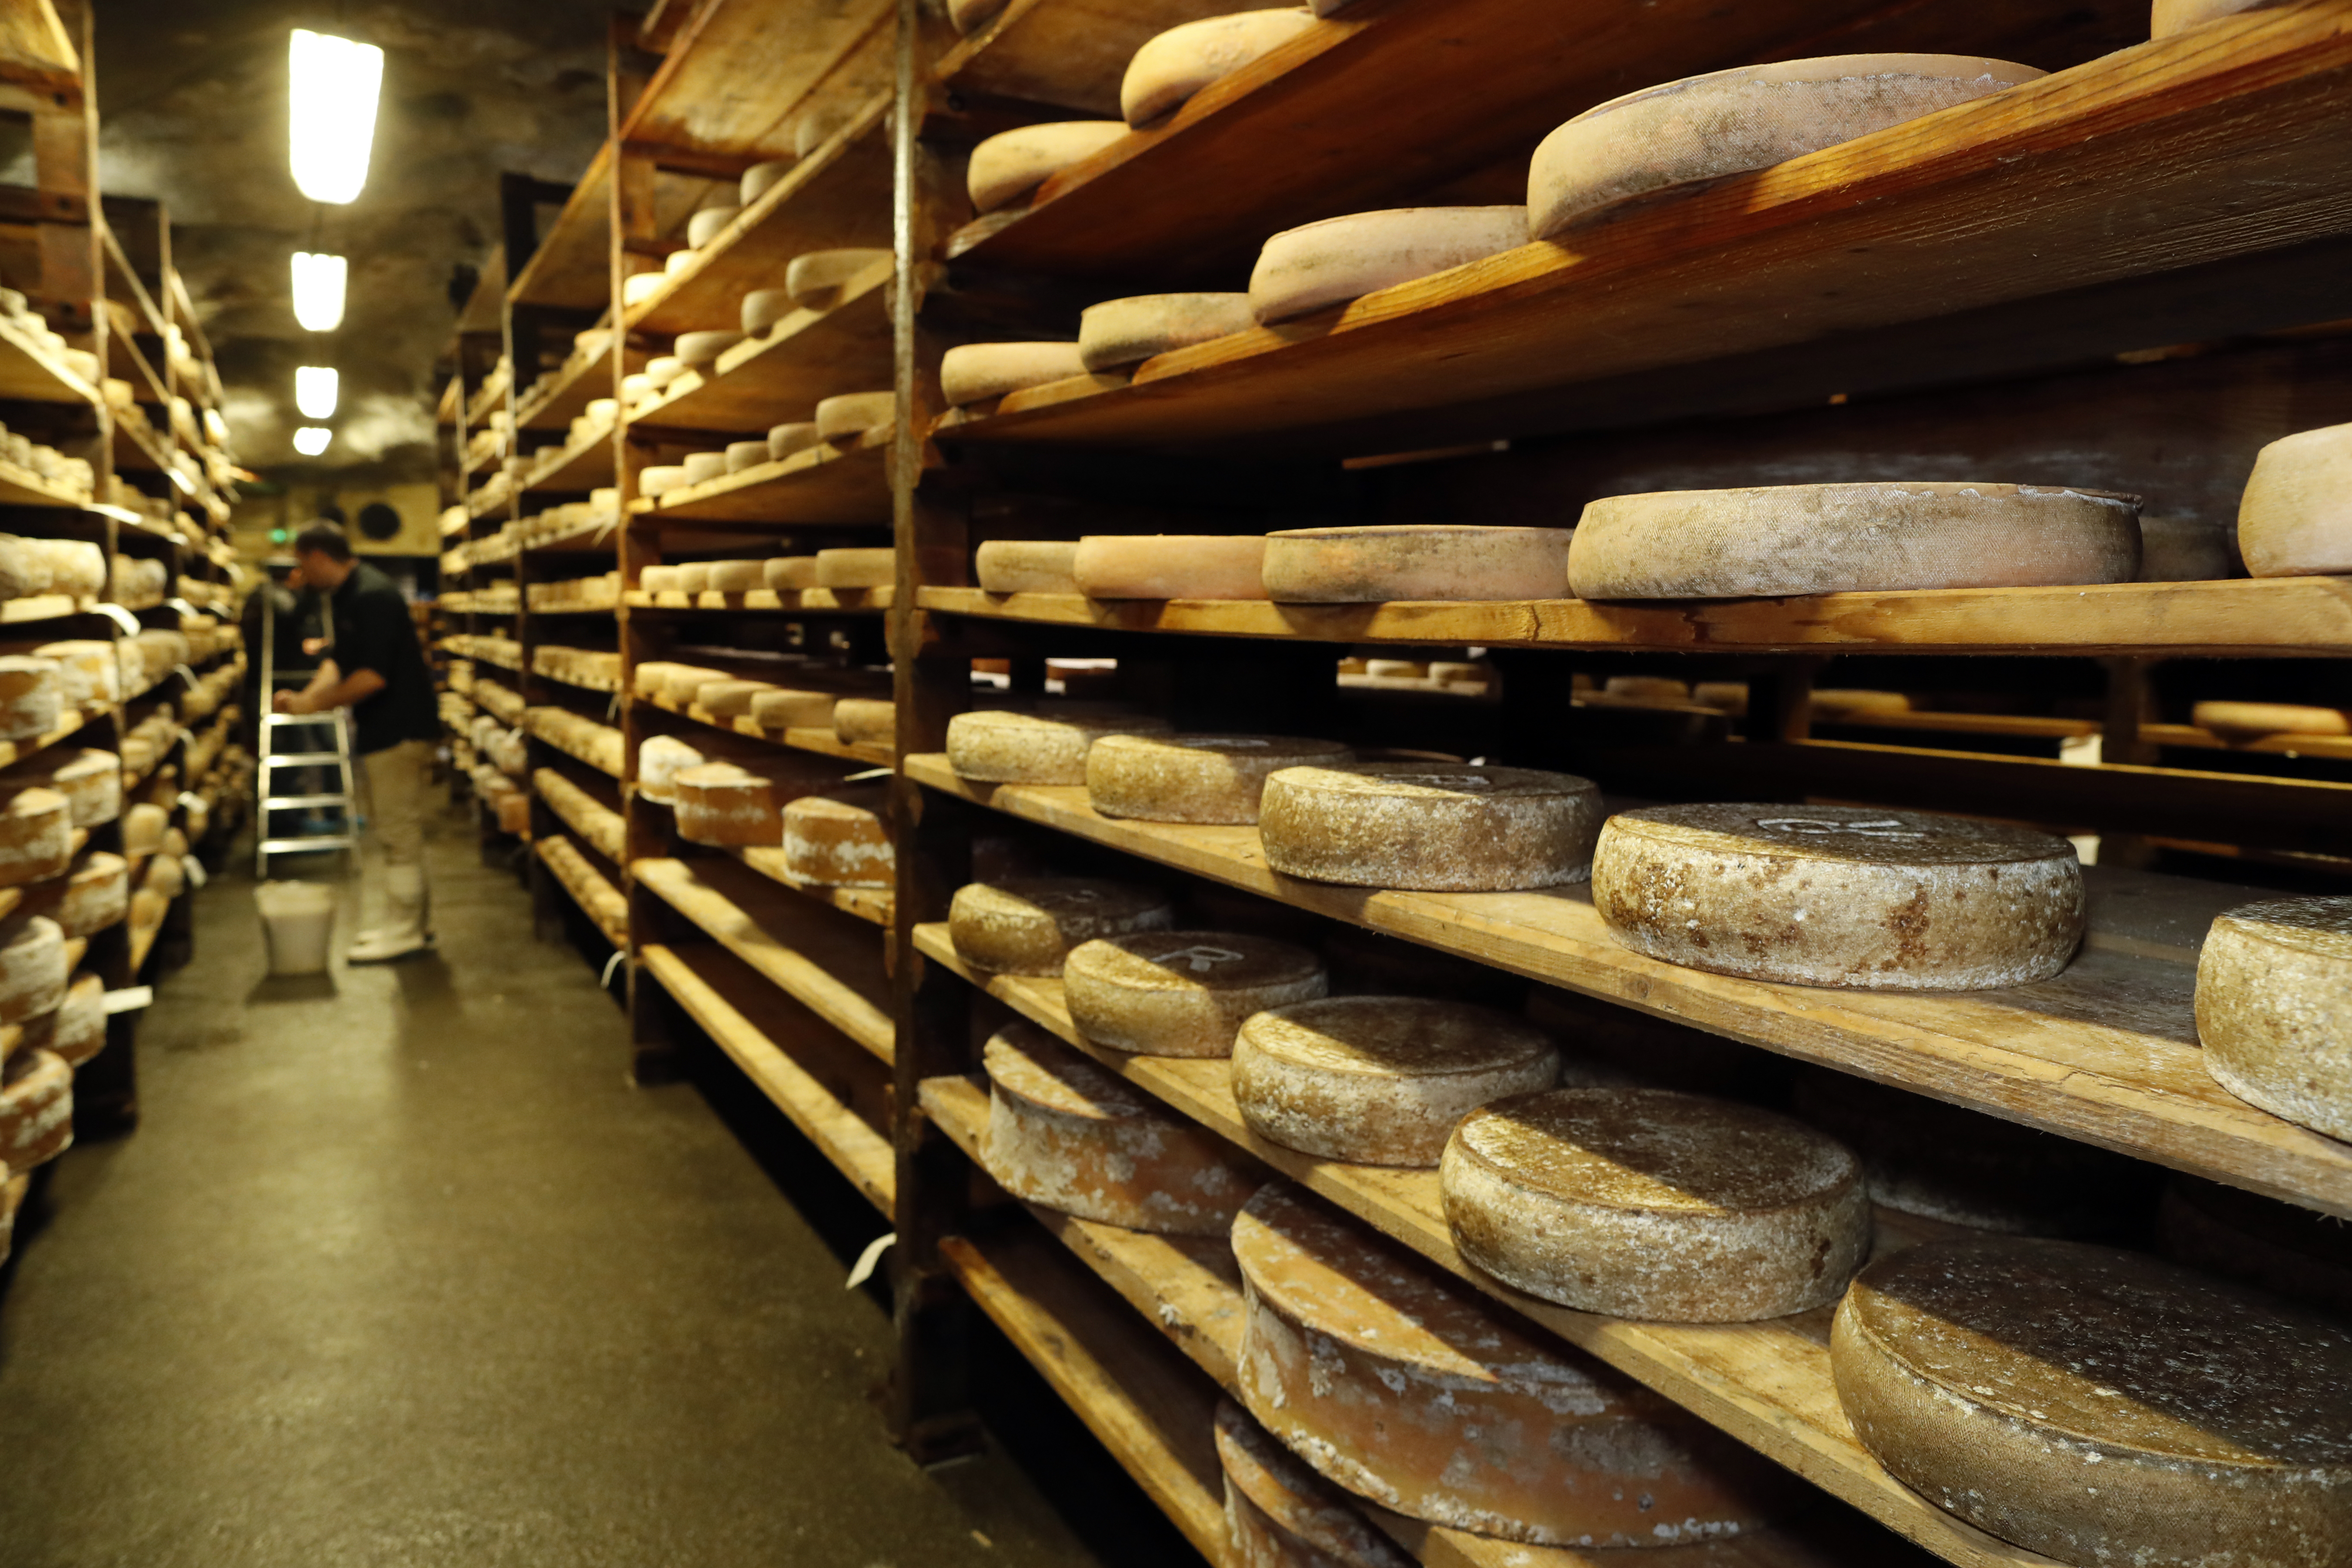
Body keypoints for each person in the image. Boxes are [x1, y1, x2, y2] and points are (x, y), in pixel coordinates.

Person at [276, 521, 441, 962]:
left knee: (397, 834)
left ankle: (406, 929)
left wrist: (315, 707)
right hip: (384, 730)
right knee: (398, 831)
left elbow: (371, 676)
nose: (301, 574)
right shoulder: (350, 595)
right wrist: (305, 699)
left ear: (317, 557)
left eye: (301, 564)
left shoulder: (374, 596)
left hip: (399, 731)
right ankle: (411, 925)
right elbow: (341, 661)